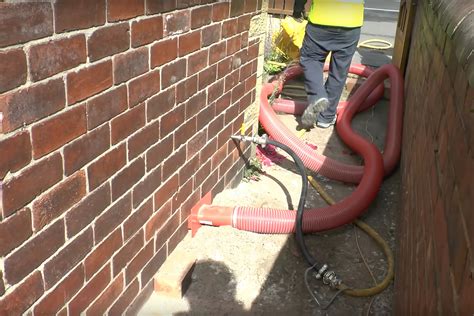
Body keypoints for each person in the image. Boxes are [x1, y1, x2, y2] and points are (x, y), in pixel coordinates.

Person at [294, 0, 364, 128]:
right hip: (351, 25)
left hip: (320, 24)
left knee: (311, 60)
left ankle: (317, 96)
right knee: (339, 71)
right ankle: (326, 118)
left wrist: (297, 10)